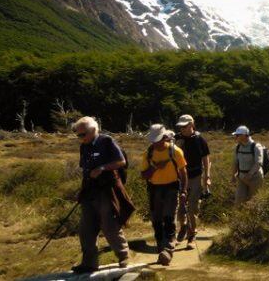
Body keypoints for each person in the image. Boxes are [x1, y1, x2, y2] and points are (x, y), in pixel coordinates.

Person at [72, 116, 134, 274]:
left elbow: (121, 161)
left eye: (82, 134)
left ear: (93, 130)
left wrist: (102, 168)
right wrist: (82, 189)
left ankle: (123, 256)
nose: (80, 138)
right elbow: (85, 169)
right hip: (89, 190)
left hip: (106, 190)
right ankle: (89, 263)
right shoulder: (84, 147)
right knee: (86, 228)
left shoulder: (107, 142)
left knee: (109, 224)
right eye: (77, 134)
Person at [140, 124, 187, 266]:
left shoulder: (175, 151)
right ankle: (161, 249)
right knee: (156, 221)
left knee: (168, 217)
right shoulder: (148, 154)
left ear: (164, 137)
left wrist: (184, 191)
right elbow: (143, 175)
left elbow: (183, 173)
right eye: (153, 140)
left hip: (171, 188)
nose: (155, 143)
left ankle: (168, 248)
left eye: (157, 139)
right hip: (154, 189)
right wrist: (155, 167)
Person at [174, 114, 211, 250]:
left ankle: (191, 235)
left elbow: (206, 159)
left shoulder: (200, 139)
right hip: (179, 177)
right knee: (180, 207)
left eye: (185, 126)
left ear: (191, 125)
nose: (182, 129)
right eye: (181, 126)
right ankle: (183, 227)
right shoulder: (177, 139)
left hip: (195, 176)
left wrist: (207, 177)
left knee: (192, 208)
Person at [232, 125, 264, 203]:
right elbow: (235, 162)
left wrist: (249, 175)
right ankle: (239, 215)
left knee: (253, 200)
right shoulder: (238, 147)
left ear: (244, 135)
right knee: (239, 200)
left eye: (237, 135)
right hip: (241, 177)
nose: (235, 137)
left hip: (255, 178)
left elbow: (258, 163)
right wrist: (233, 175)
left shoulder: (256, 146)